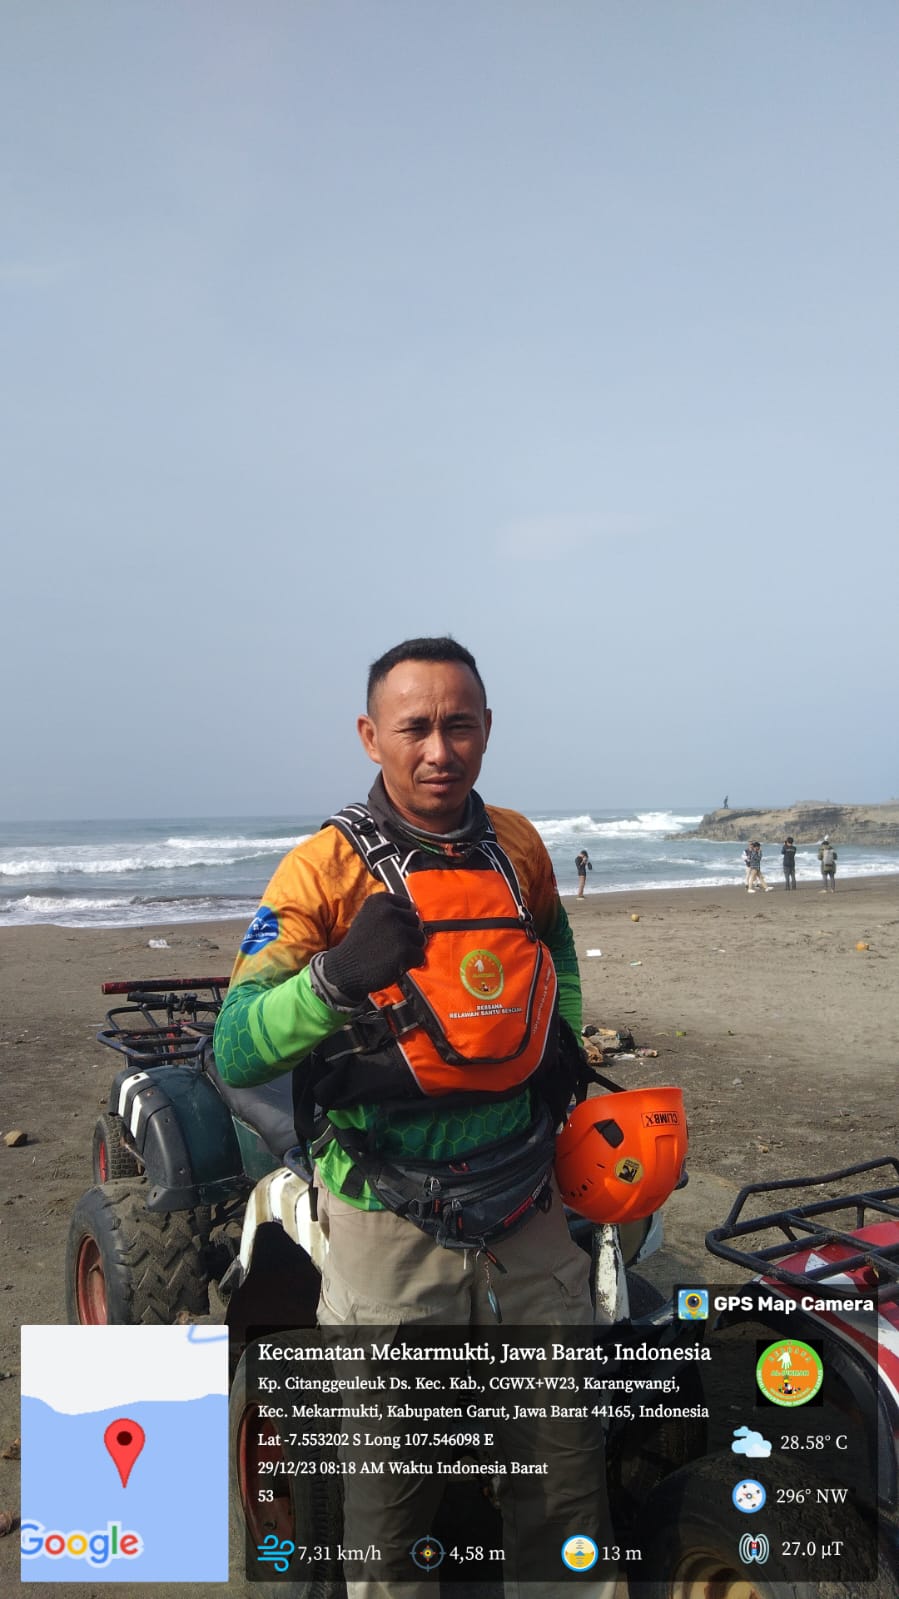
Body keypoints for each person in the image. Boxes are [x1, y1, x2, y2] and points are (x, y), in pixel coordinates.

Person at [213, 637, 620, 1599]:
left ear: (487, 729)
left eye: (459, 725)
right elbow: (233, 1046)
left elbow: (552, 943)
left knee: (563, 1481)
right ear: (371, 736)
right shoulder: (321, 871)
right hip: (385, 1219)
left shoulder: (518, 846)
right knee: (391, 1508)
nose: (440, 750)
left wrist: (556, 1039)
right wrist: (332, 978)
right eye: (415, 728)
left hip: (527, 1210)